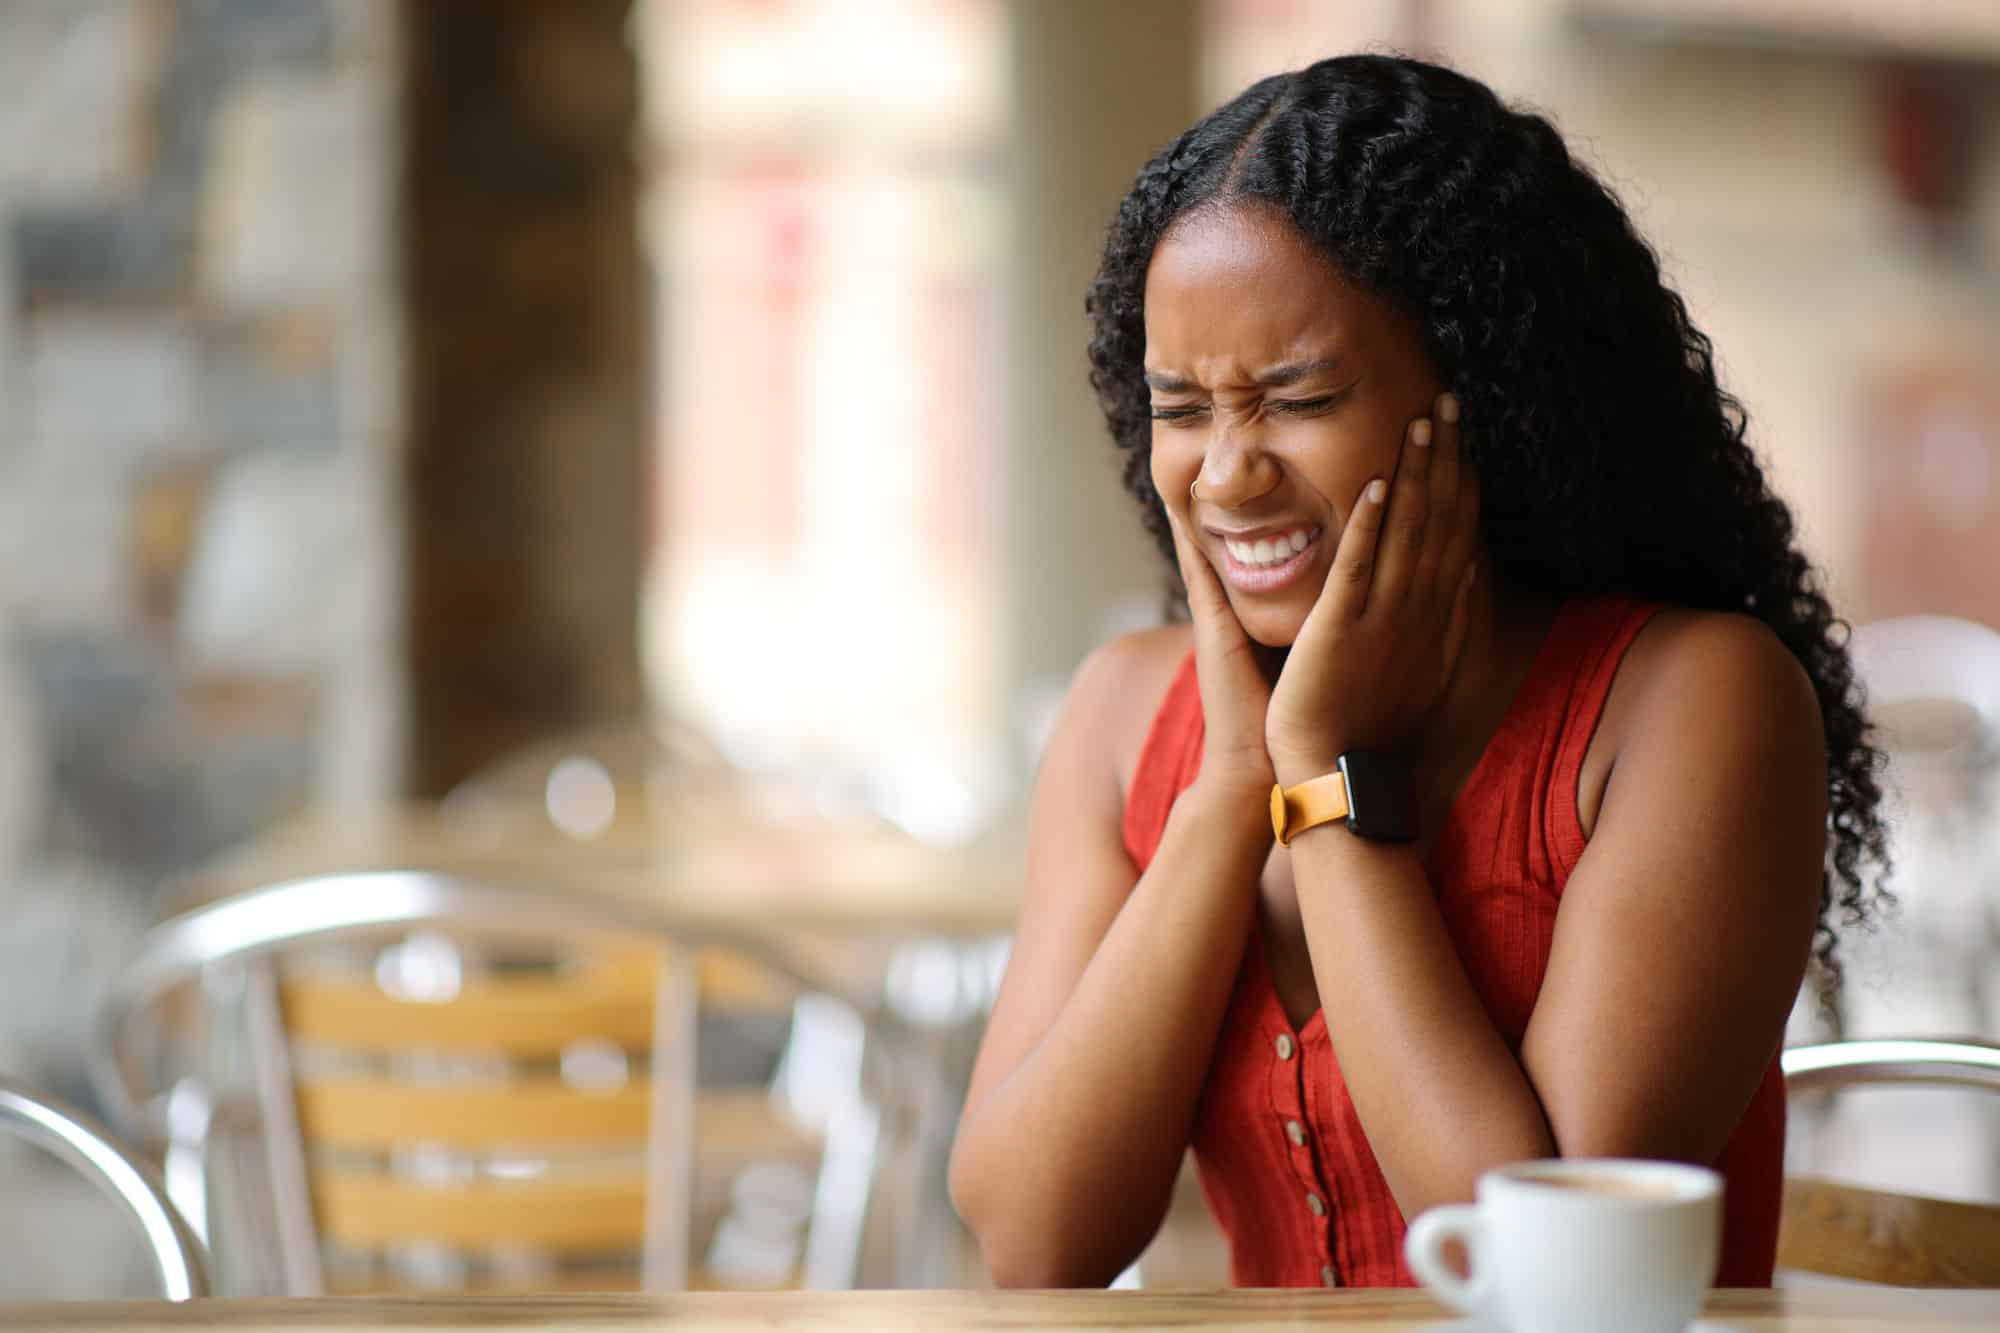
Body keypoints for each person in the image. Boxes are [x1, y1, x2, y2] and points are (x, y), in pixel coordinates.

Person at [948, 53, 1888, 1290]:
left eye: (1296, 395)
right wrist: (1233, 781)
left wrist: (1327, 785)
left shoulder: (1693, 705)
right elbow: (1032, 1237)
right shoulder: (1129, 713)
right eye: (1181, 406)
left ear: (1485, 398)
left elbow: (1538, 1271)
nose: (1225, 474)